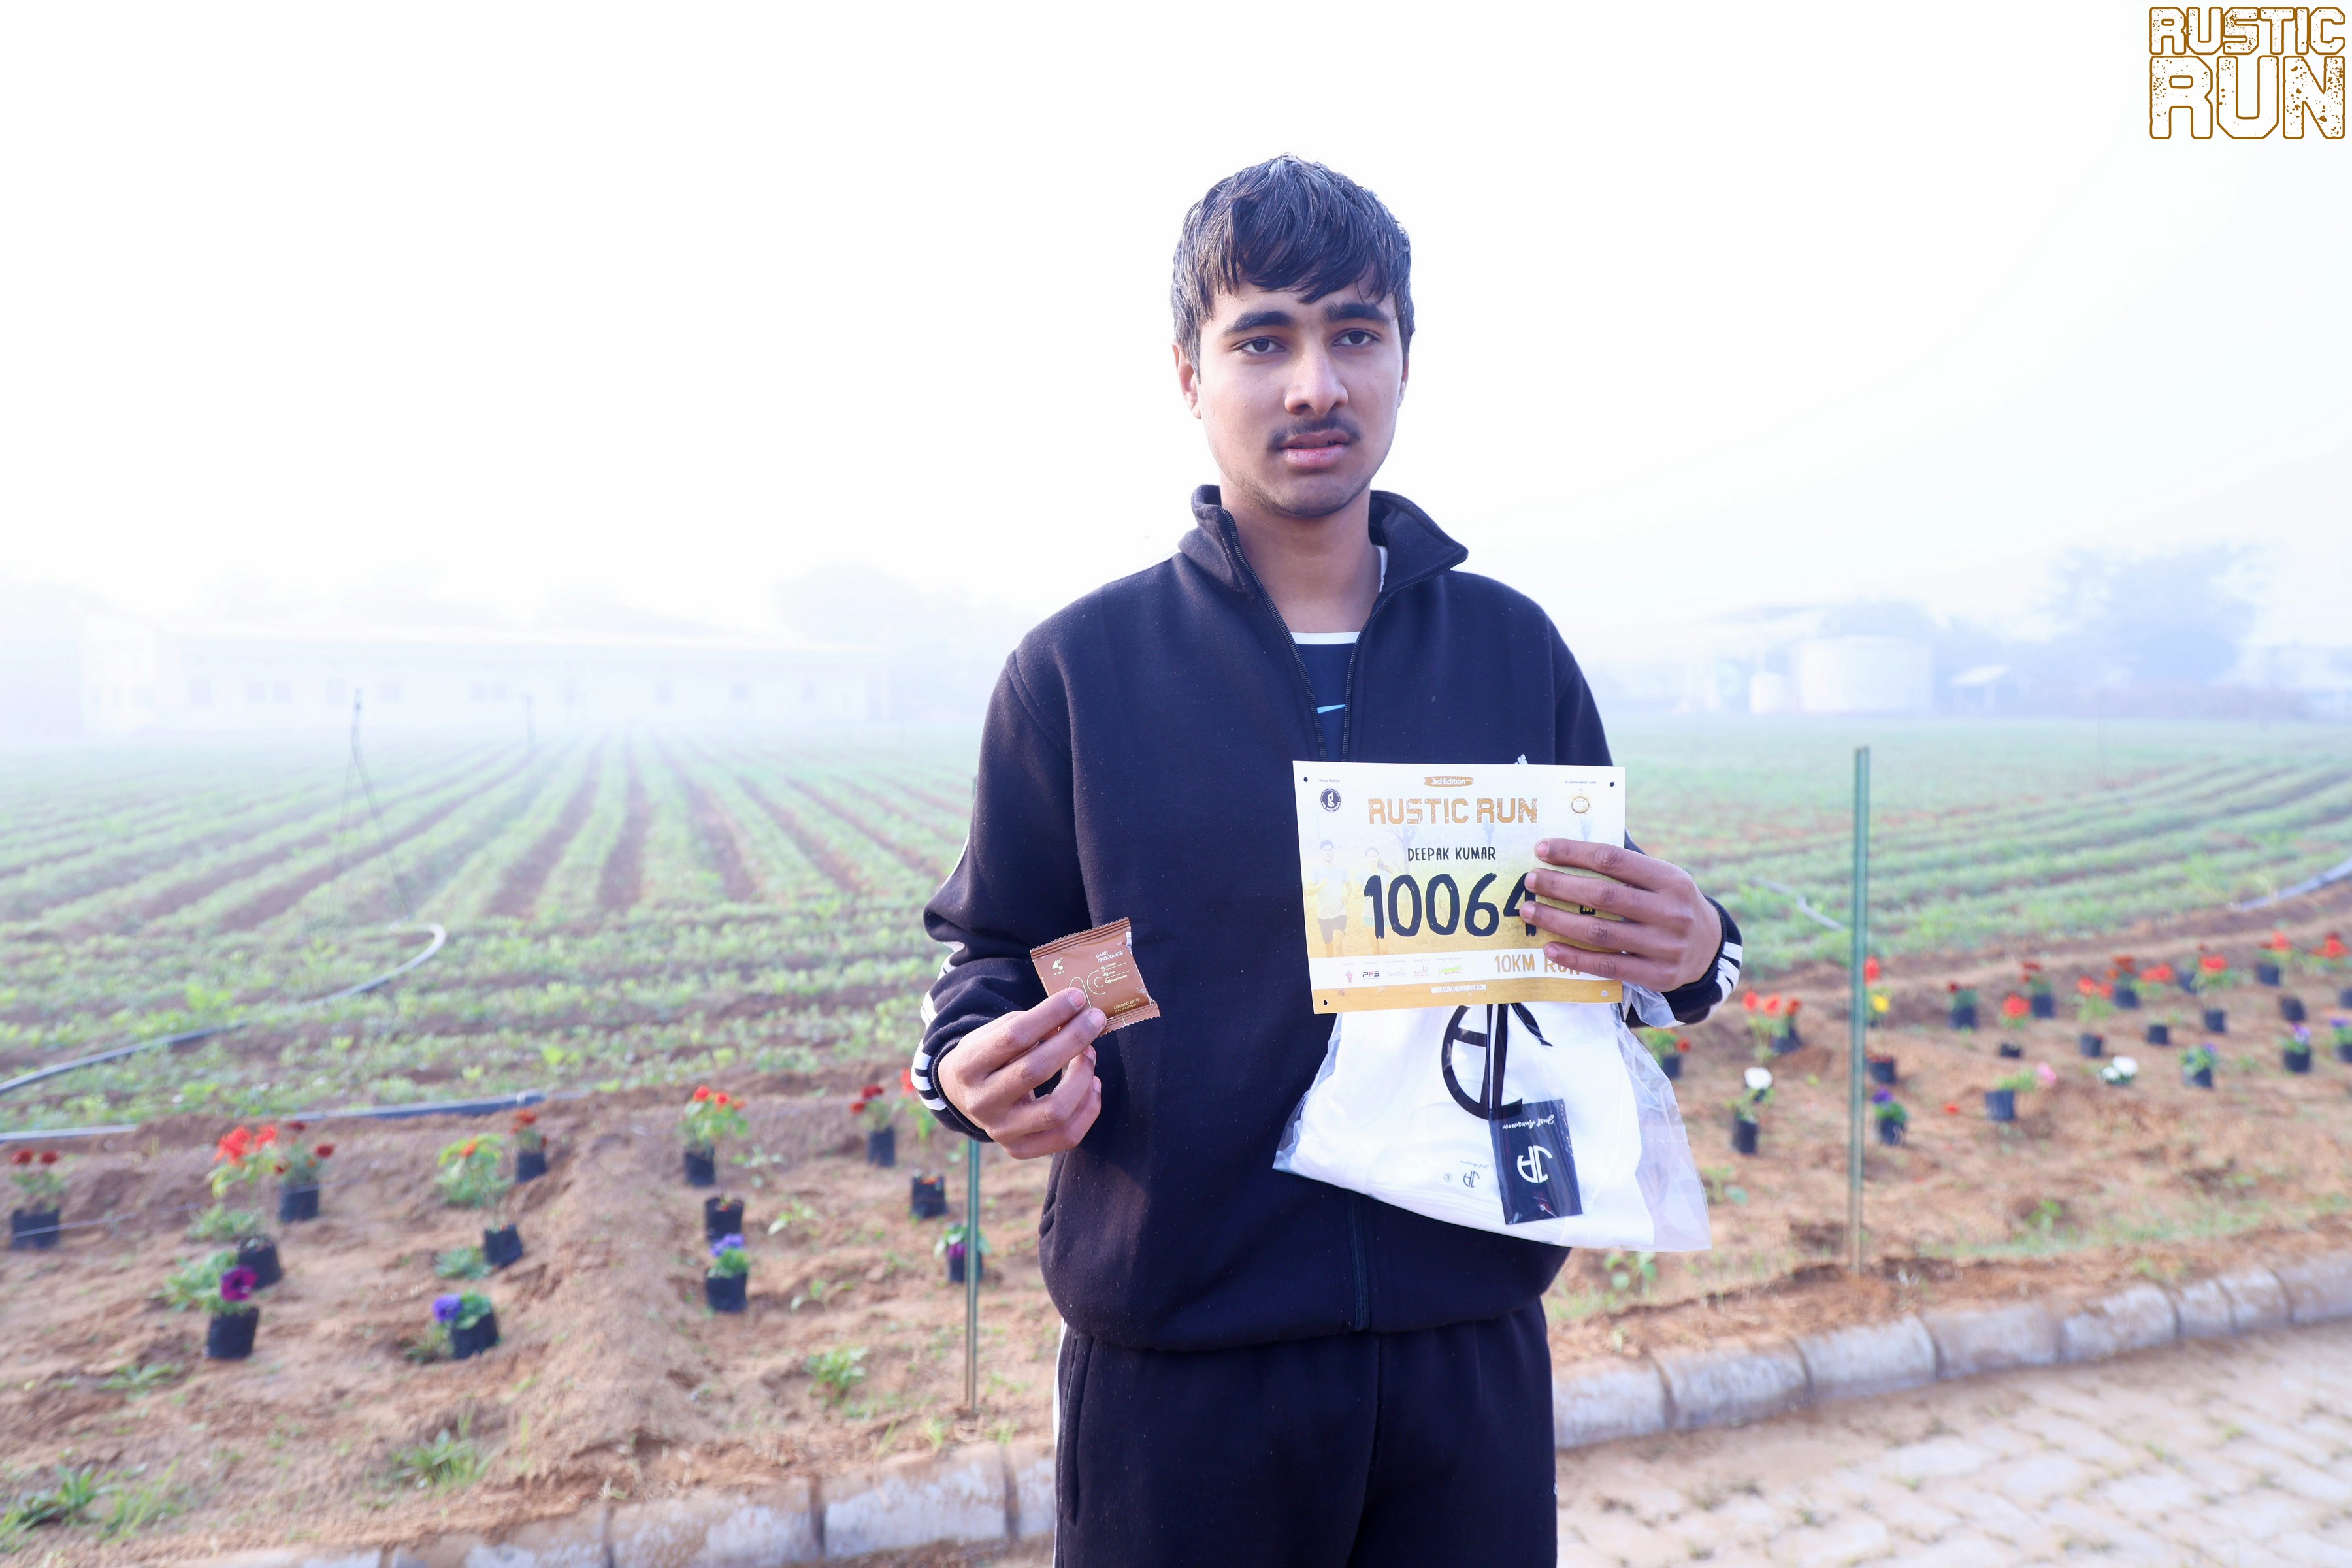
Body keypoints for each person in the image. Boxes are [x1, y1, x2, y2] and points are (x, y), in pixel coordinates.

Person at [911, 156, 1742, 1567]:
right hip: (1184, 1376)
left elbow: (1606, 916)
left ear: (1406, 358)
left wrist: (1695, 951)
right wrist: (972, 1068)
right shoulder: (1081, 672)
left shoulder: (1511, 649)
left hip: (1466, 1352)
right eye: (1264, 341)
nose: (1316, 384)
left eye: (1356, 333)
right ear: (1190, 375)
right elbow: (993, 954)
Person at [1307, 839, 1350, 956]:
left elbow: (1349, 885)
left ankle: (1342, 967)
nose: (1328, 853)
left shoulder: (1341, 870)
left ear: (1333, 851)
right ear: (1321, 853)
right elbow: (1309, 891)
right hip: (1323, 916)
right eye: (1325, 850)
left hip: (1339, 913)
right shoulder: (1316, 871)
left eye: (1330, 850)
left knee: (1338, 946)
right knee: (1330, 950)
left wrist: (1347, 896)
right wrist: (1320, 885)